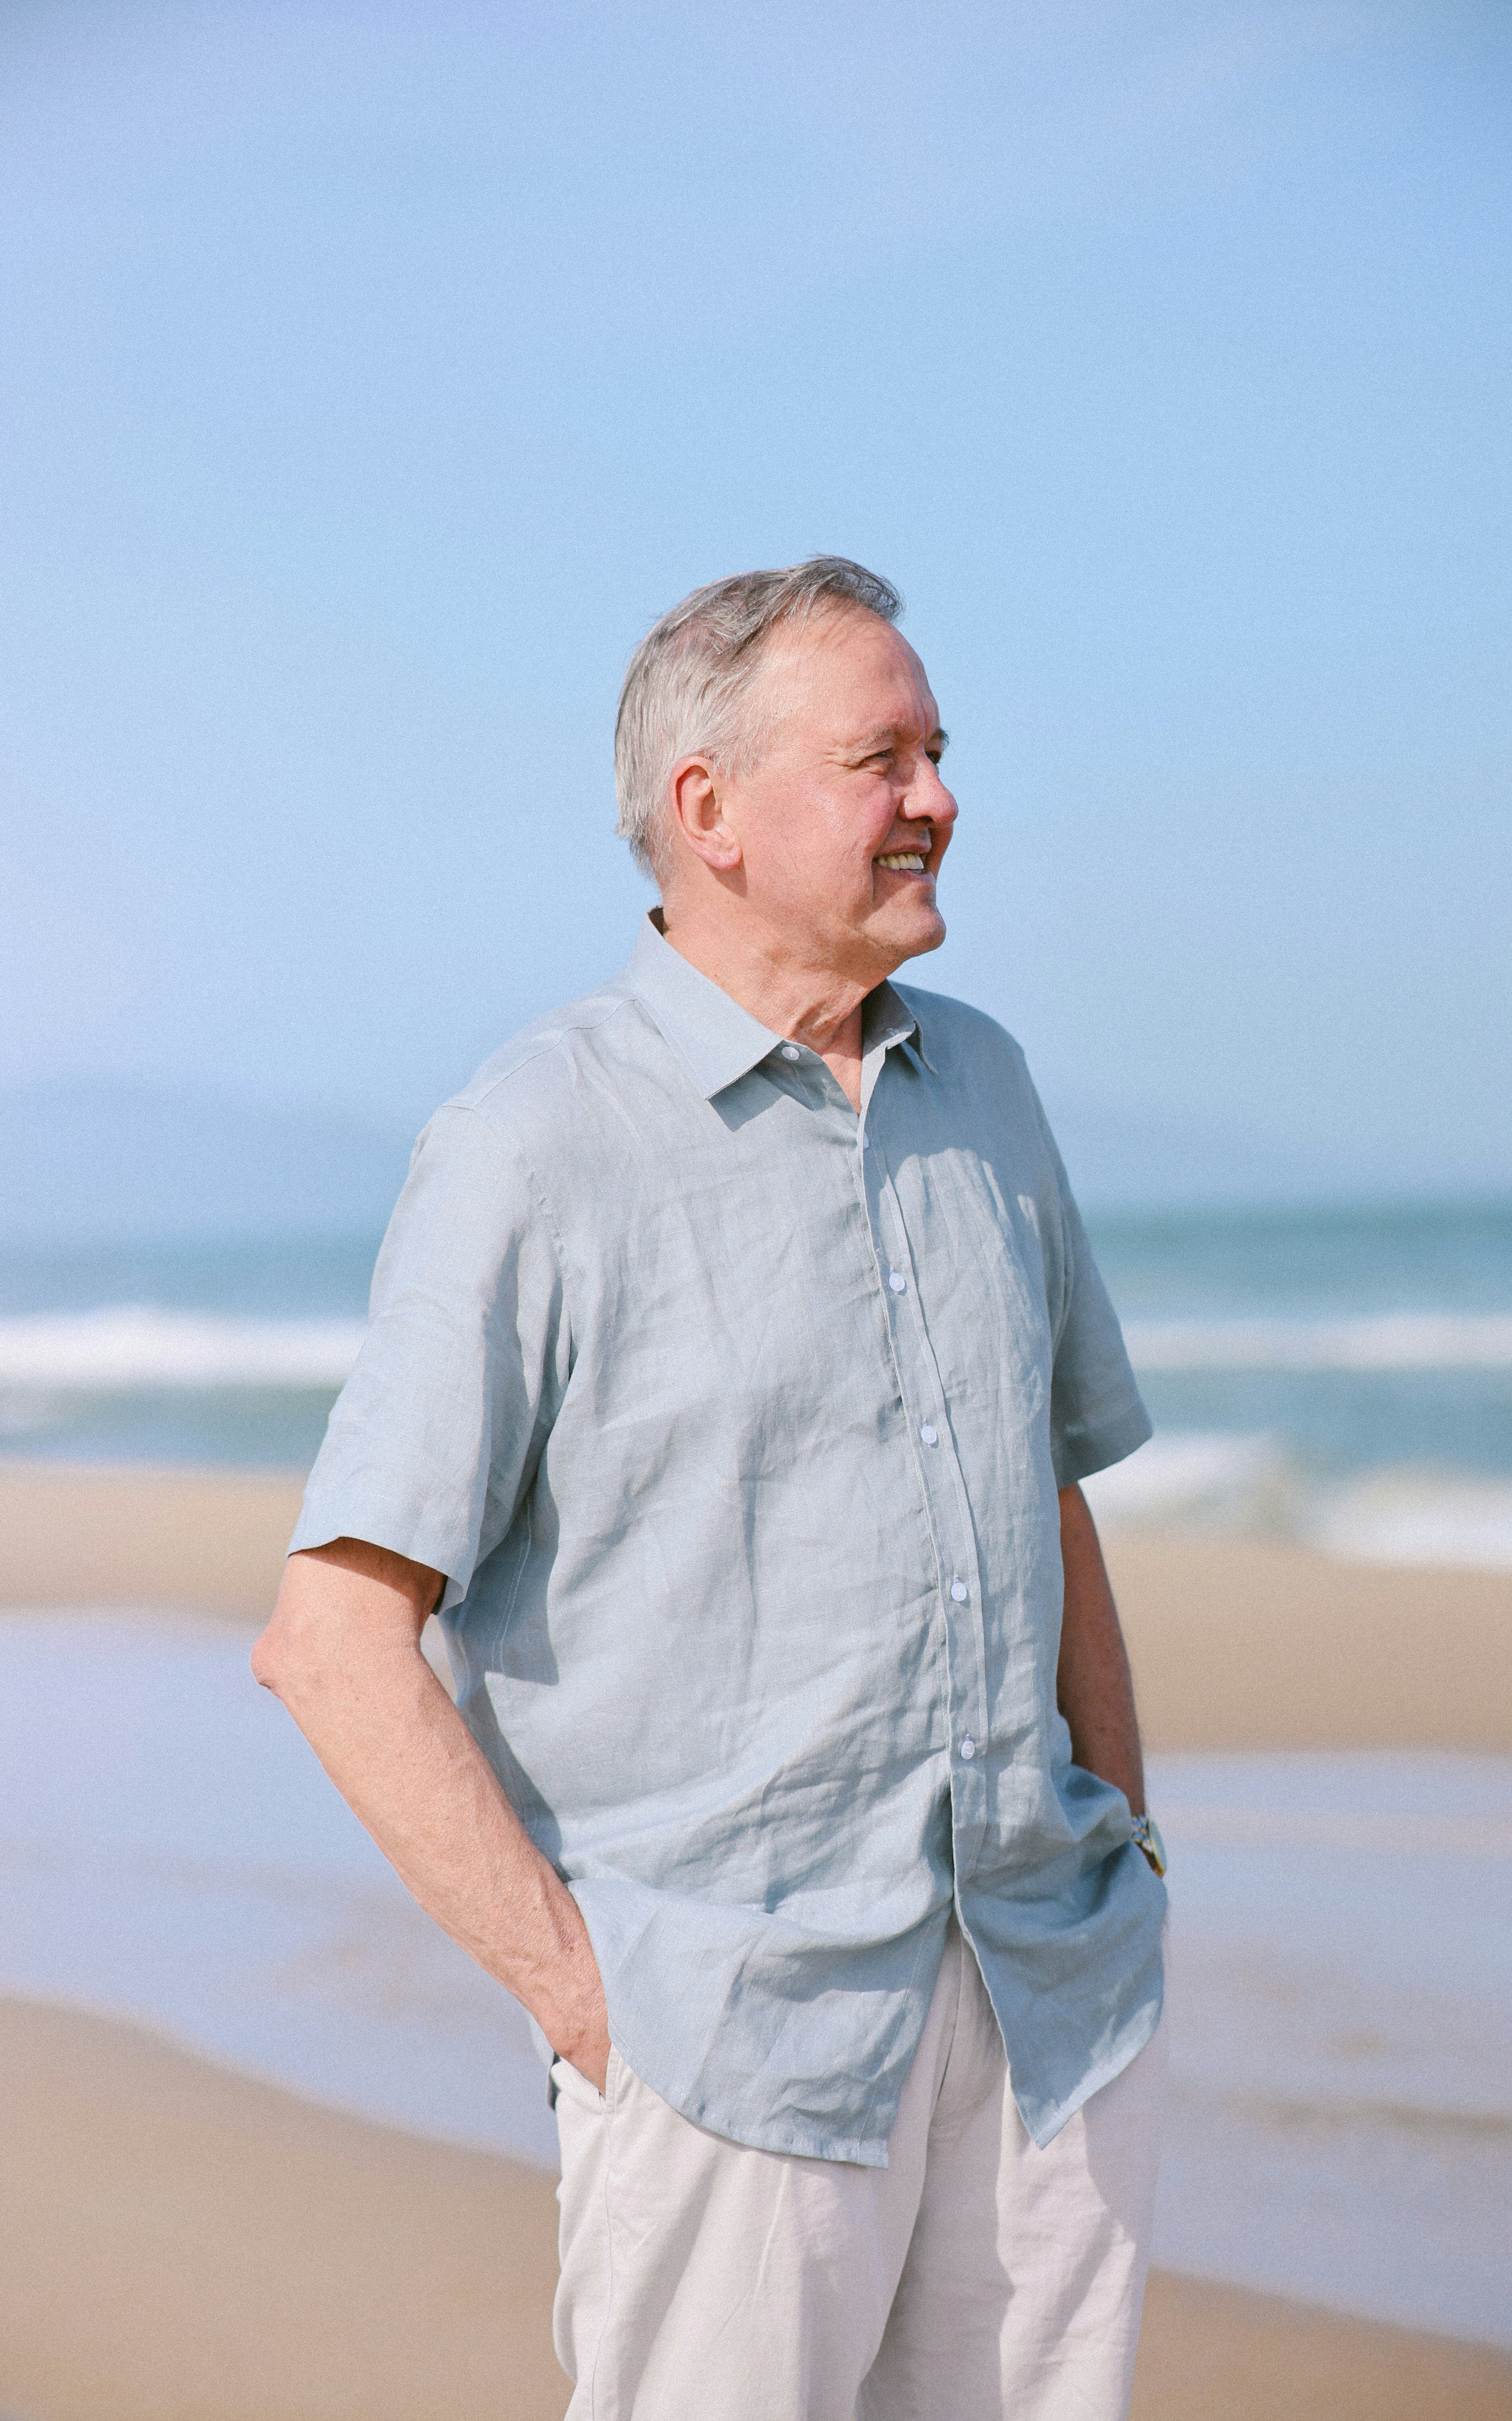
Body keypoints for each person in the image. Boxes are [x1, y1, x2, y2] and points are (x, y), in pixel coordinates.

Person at [252, 555, 1169, 2421]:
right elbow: (331, 1641)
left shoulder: (983, 1088)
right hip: (725, 2051)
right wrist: (598, 2015)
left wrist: (1130, 1854)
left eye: (937, 751)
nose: (938, 797)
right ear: (710, 815)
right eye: (881, 758)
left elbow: (1039, 1491)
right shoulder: (532, 1143)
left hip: (1049, 2001)